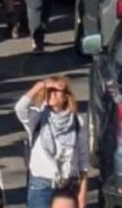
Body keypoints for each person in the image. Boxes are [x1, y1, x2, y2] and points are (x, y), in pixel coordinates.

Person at [15, 77, 88, 208]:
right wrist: (41, 85)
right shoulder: (38, 117)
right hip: (41, 186)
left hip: (68, 186)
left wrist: (82, 193)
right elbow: (20, 108)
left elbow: (83, 160)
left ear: (66, 97)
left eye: (56, 91)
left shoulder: (77, 121)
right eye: (49, 90)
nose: (51, 93)